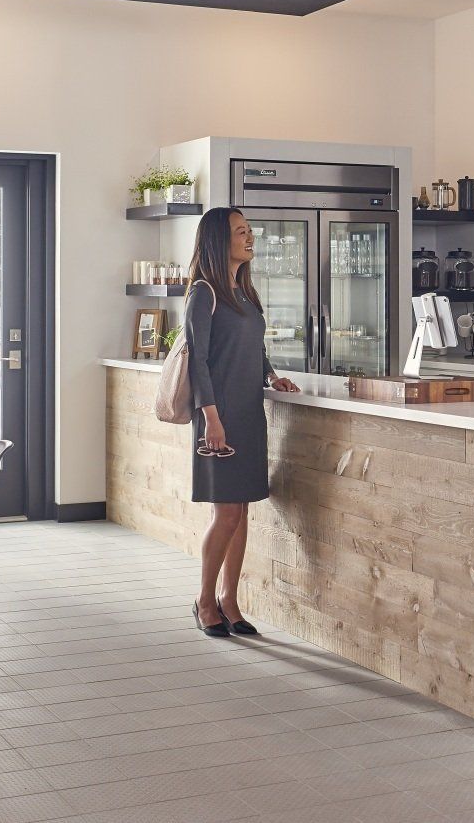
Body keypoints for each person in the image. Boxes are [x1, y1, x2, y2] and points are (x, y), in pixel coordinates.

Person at [182, 207, 299, 638]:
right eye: (240, 232)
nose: (250, 238)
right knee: (226, 513)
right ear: (218, 240)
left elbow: (252, 347)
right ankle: (204, 599)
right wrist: (211, 418)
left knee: (241, 511)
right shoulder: (203, 293)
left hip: (250, 414)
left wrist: (271, 375)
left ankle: (230, 601)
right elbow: (199, 361)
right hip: (219, 418)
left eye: (250, 231)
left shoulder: (245, 293)